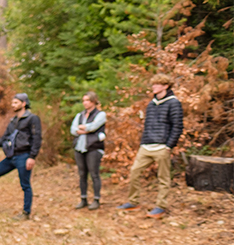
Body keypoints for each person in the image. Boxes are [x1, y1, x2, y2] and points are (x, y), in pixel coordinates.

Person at [117, 74, 184, 218]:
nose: (153, 86)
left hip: (162, 147)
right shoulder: (151, 103)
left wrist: (169, 146)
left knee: (163, 178)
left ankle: (161, 207)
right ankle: (133, 202)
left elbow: (177, 126)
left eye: (157, 84)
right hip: (146, 146)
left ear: (165, 86)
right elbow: (147, 125)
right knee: (134, 171)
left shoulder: (174, 103)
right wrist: (143, 142)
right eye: (153, 84)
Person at [0, 93, 42, 220]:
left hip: (24, 156)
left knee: (25, 185)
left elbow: (37, 139)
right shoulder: (13, 121)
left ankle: (26, 213)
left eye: (15, 102)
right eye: (12, 102)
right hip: (11, 157)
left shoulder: (32, 119)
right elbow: (4, 140)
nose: (12, 105)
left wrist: (32, 157)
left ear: (23, 103)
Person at [70, 91, 106, 210]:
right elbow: (73, 129)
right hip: (79, 148)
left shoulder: (100, 114)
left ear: (94, 101)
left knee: (94, 174)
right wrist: (85, 129)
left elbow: (93, 127)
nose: (85, 103)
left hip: (93, 148)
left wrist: (84, 128)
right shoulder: (79, 115)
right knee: (82, 174)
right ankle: (83, 199)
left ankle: (96, 199)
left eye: (87, 100)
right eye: (84, 100)